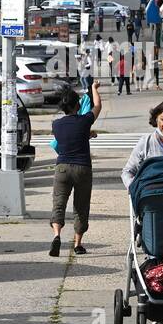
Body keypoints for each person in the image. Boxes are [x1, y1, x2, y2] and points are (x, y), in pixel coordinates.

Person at [49, 80, 102, 257]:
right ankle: (78, 244)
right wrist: (94, 88)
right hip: (82, 168)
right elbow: (97, 105)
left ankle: (57, 235)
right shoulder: (85, 120)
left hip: (62, 168)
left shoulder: (56, 125)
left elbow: (69, 139)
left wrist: (87, 135)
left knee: (59, 203)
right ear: (77, 105)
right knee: (81, 206)